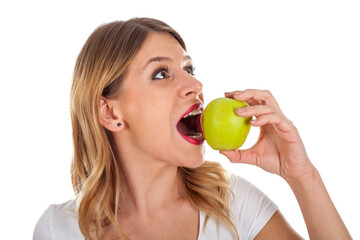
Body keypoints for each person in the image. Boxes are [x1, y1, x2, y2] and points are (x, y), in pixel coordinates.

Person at [33, 17, 351, 240]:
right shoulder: (57, 228)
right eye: (161, 74)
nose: (196, 85)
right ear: (110, 111)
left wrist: (302, 175)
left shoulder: (232, 203)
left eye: (189, 68)